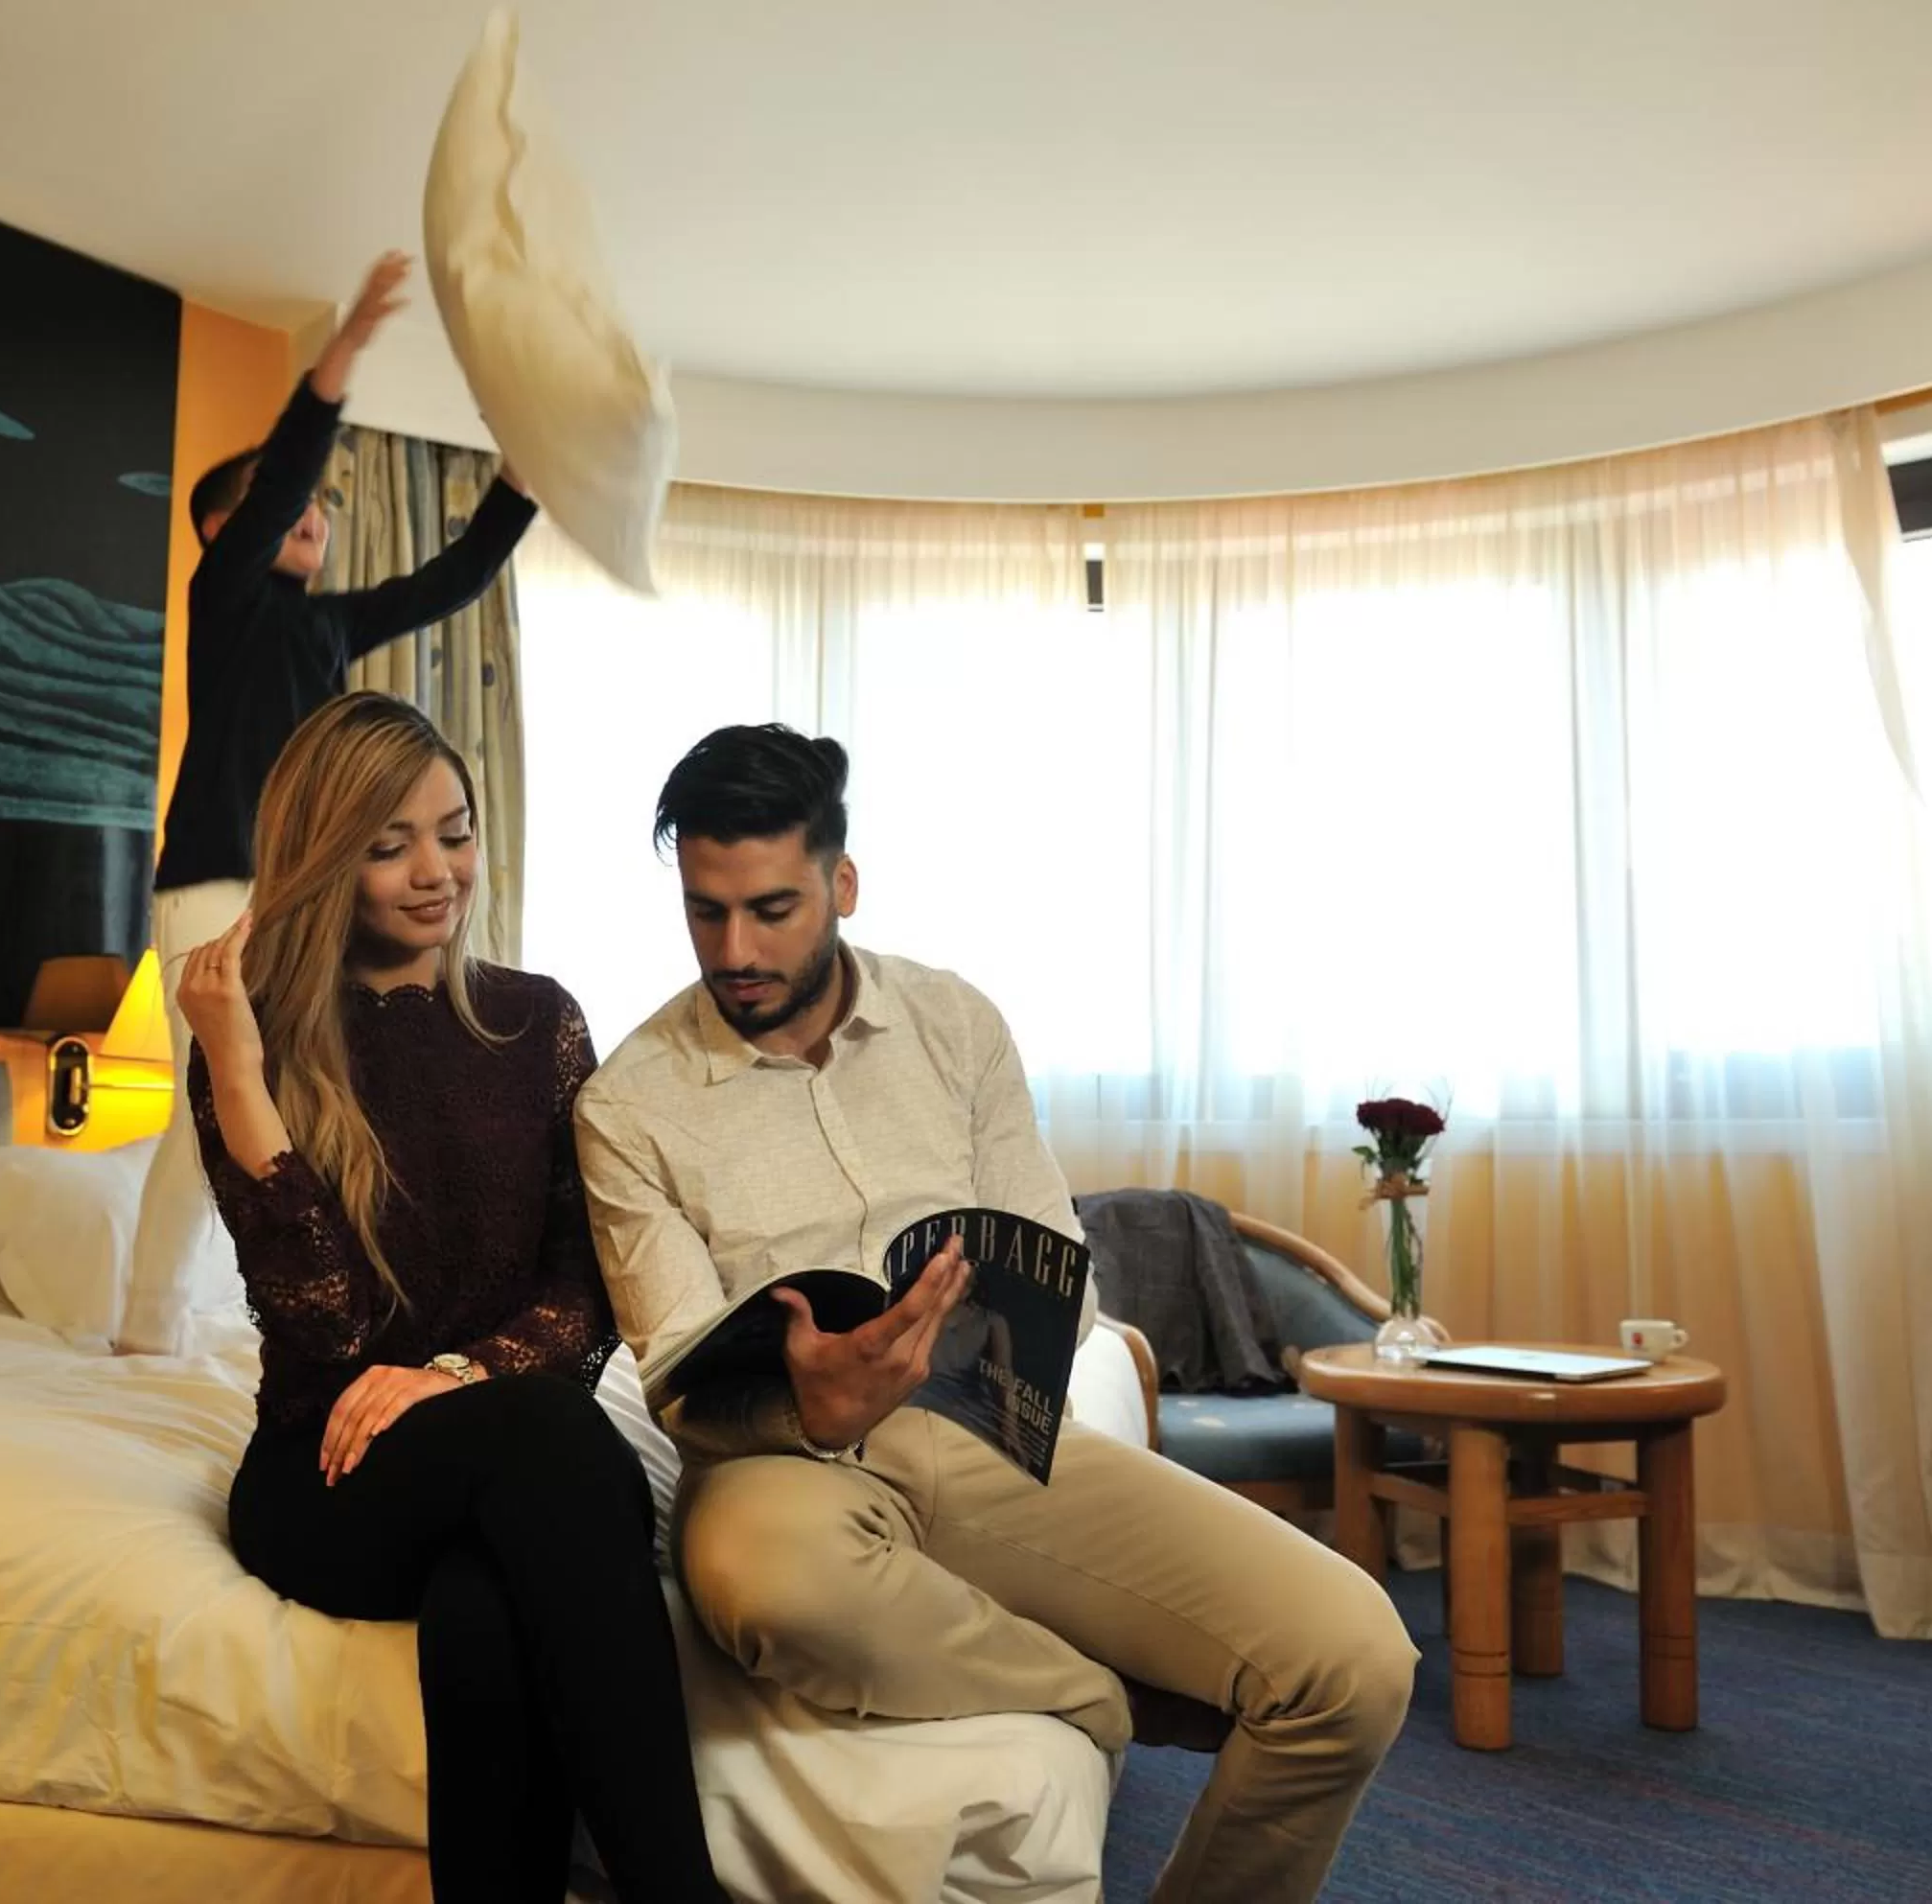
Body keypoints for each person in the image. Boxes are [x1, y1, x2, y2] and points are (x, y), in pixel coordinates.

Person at [572, 724, 1416, 1904]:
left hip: (991, 1429)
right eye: (706, 913)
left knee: (1358, 1661)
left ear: (842, 882)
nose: (736, 949)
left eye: (771, 908)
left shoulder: (955, 1024)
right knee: (766, 1585)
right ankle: (1099, 1694)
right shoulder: (628, 1101)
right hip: (789, 1461)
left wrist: (1007, 1327)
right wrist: (808, 1403)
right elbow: (673, 1369)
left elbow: (1054, 1245)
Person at [175, 692, 724, 1904]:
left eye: (455, 831)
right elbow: (319, 1317)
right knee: (554, 1441)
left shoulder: (540, 1023)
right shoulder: (253, 1043)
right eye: (389, 846)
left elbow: (585, 1293)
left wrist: (451, 1378)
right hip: (326, 1476)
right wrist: (236, 1065)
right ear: (325, 861)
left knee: (483, 1614)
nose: (438, 873)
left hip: (500, 1442)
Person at [130, 249, 537, 1354]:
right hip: (214, 874)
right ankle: (144, 1332)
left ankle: (291, 1301)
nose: (307, 512)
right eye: (279, 505)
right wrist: (345, 352)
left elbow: (449, 581)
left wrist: (528, 480)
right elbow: (275, 487)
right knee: (203, 1099)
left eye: (313, 505)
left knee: (313, 1095)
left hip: (303, 885)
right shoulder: (224, 598)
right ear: (227, 531)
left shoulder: (325, 624)